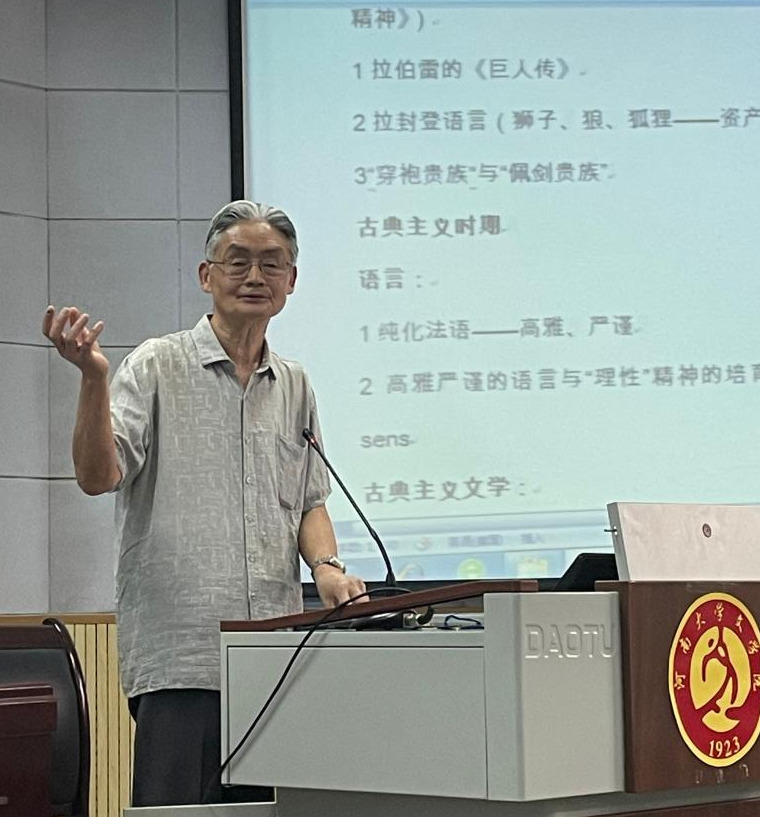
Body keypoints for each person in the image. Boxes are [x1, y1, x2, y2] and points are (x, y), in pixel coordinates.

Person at [42, 201, 366, 806]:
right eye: (238, 261)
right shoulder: (156, 365)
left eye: (272, 264)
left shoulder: (295, 384)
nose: (255, 276)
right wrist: (92, 378)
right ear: (205, 275)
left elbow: (309, 501)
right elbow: (97, 475)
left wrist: (326, 568)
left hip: (273, 656)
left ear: (292, 281)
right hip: (183, 656)